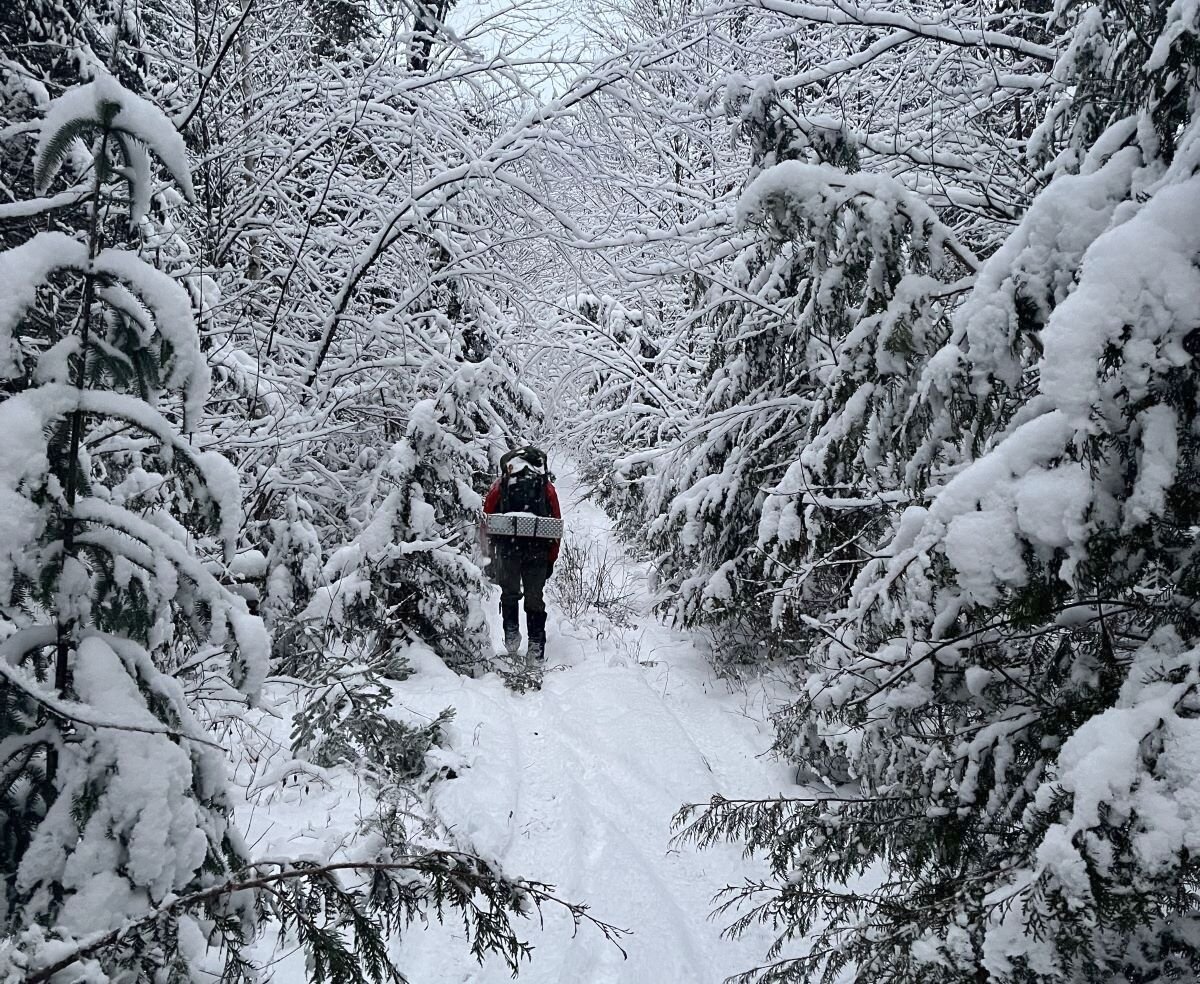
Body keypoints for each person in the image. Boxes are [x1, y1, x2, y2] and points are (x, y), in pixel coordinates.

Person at [481, 447, 561, 660]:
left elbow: (486, 520)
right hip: (538, 552)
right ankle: (535, 645)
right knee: (535, 599)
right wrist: (551, 559)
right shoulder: (546, 487)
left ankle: (511, 636)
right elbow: (555, 525)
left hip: (508, 550)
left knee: (509, 594)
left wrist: (487, 556)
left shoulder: (501, 485)